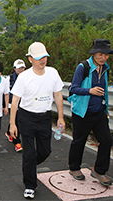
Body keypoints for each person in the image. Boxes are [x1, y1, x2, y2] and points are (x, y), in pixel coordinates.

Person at [9, 42, 65, 199]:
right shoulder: (24, 77)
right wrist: (13, 123)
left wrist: (60, 117)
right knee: (28, 153)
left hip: (44, 117)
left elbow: (58, 95)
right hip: (26, 117)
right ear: (30, 59)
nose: (43, 60)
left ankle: (31, 164)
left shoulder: (53, 73)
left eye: (44, 57)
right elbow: (15, 101)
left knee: (45, 151)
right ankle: (30, 185)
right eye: (39, 57)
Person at [68, 39, 113, 186]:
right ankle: (74, 168)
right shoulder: (83, 67)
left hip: (99, 111)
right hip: (83, 112)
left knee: (106, 140)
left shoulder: (105, 68)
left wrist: (105, 109)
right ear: (94, 54)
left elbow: (105, 91)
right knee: (79, 141)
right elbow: (73, 89)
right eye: (100, 54)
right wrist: (90, 91)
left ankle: (99, 171)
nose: (103, 57)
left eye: (106, 55)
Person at [4, 59, 25, 152]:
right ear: (14, 68)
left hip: (23, 104)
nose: (21, 70)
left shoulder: (27, 78)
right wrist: (5, 105)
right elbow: (6, 93)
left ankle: (9, 132)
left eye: (22, 68)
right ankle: (17, 143)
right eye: (18, 68)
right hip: (12, 104)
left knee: (17, 121)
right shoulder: (9, 79)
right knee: (17, 122)